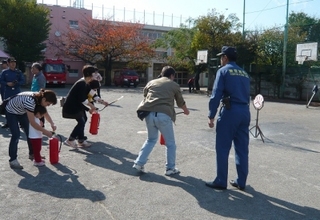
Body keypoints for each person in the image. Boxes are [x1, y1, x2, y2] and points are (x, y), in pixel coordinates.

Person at [205, 46, 250, 190]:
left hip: (230, 111)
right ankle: (241, 181)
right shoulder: (244, 73)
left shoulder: (223, 71)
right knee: (242, 149)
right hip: (244, 111)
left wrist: (211, 115)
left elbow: (216, 94)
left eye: (221, 57)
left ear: (225, 57)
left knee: (223, 147)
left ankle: (220, 180)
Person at [133, 66, 190, 176]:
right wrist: (186, 111)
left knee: (151, 139)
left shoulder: (152, 82)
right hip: (164, 115)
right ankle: (170, 168)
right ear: (172, 75)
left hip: (148, 114)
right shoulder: (174, 85)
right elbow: (180, 102)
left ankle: (139, 163)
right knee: (170, 144)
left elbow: (145, 95)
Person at [6, 89, 57, 169]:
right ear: (44, 99)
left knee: (29, 132)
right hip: (11, 112)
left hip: (22, 111)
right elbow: (33, 123)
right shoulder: (30, 102)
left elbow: (45, 113)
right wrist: (45, 132)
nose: (47, 106)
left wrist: (52, 123)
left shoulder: (40, 98)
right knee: (16, 135)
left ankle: (32, 154)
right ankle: (13, 160)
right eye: (48, 104)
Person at [62, 65, 108, 148]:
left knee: (83, 120)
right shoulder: (82, 83)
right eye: (94, 73)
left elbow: (92, 94)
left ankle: (81, 140)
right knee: (81, 122)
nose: (96, 75)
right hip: (72, 107)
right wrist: (91, 107)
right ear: (89, 74)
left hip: (77, 106)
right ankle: (70, 140)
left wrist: (103, 102)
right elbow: (82, 99)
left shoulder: (86, 82)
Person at [0, 57, 25, 128]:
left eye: (14, 62)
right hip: (8, 92)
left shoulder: (18, 72)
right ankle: (8, 122)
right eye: (11, 62)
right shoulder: (4, 72)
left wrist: (17, 83)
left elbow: (23, 81)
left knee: (19, 107)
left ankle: (21, 123)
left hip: (17, 91)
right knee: (7, 108)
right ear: (8, 63)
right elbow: (1, 80)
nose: (13, 64)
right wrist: (7, 83)